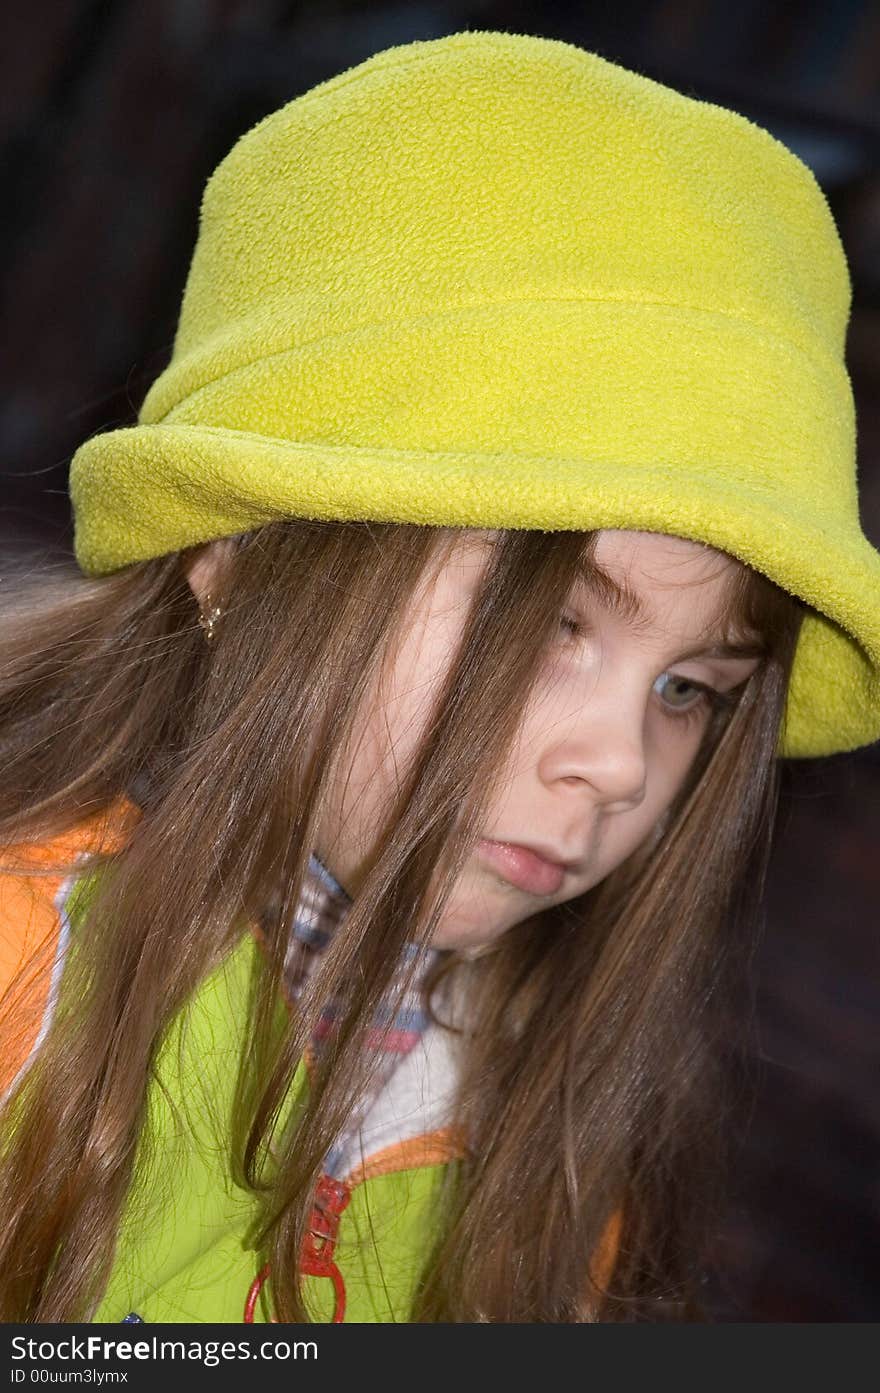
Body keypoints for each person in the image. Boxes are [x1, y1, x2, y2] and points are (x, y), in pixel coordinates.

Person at [0, 29, 878, 1325]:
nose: (620, 762)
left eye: (687, 688)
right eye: (544, 632)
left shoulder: (554, 1154)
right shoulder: (28, 965)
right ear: (239, 555)